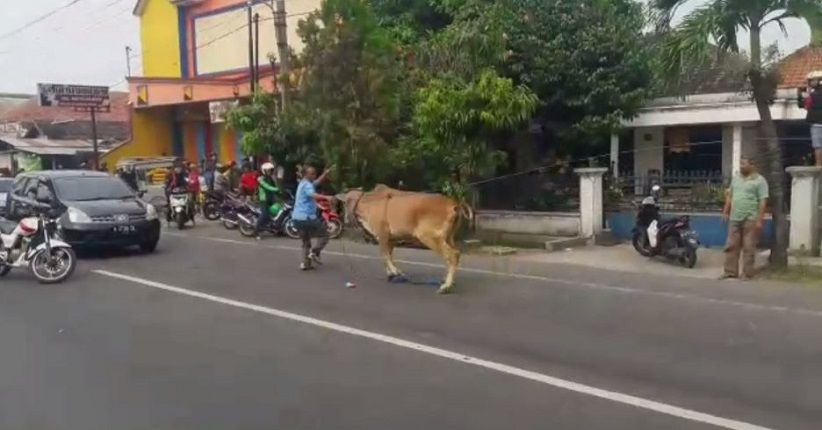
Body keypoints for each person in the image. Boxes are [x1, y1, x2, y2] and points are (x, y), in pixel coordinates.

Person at [721, 157, 769, 280]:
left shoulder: (760, 181)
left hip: (750, 218)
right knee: (731, 245)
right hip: (734, 217)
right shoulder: (736, 178)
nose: (741, 166)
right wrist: (725, 211)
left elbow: (763, 201)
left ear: (752, 165)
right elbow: (730, 196)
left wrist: (759, 220)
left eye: (744, 164)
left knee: (748, 247)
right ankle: (730, 272)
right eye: (740, 164)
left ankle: (747, 273)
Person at [292, 164, 335, 270]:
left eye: (315, 173)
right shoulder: (307, 185)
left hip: (297, 219)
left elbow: (316, 182)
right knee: (325, 235)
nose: (314, 175)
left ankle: (305, 263)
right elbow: (312, 194)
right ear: (306, 175)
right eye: (312, 174)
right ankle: (314, 252)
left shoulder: (303, 183)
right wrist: (327, 197)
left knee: (306, 241)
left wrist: (325, 174)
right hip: (306, 218)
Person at [254, 162, 285, 238]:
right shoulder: (261, 179)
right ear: (264, 171)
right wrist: (277, 189)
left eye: (271, 170)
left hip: (270, 199)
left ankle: (277, 229)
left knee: (279, 212)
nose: (270, 172)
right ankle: (256, 231)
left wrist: (281, 194)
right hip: (263, 200)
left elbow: (275, 188)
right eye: (269, 170)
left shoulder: (270, 179)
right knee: (265, 215)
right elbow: (267, 187)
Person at [800, 71, 822, 166]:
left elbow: (806, 106)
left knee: (818, 146)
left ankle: (819, 165)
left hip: (816, 124)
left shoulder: (811, 95)